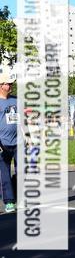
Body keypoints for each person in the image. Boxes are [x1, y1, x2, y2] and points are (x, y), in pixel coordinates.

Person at [0, 71, 18, 213]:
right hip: (2, 144)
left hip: (18, 142)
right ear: (1, 85)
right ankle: (9, 201)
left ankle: (12, 191)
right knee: (4, 173)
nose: (11, 85)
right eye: (9, 83)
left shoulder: (16, 100)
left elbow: (22, 121)